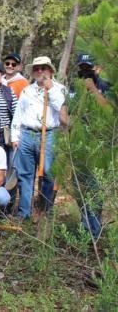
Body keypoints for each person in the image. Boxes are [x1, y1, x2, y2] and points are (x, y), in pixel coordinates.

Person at [11, 56, 66, 220]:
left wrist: (50, 88)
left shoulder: (59, 89)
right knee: (25, 174)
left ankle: (45, 210)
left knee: (48, 173)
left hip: (49, 134)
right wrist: (15, 136)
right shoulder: (27, 90)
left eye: (43, 68)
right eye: (37, 68)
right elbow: (18, 114)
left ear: (50, 70)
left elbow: (61, 109)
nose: (40, 71)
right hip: (27, 134)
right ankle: (24, 213)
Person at [69, 53, 110, 239]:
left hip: (98, 144)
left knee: (94, 186)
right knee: (78, 186)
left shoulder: (104, 86)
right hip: (77, 142)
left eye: (89, 68)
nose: (85, 72)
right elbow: (65, 109)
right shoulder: (73, 87)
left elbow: (108, 110)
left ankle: (95, 228)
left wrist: (93, 89)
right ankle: (86, 225)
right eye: (82, 68)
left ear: (97, 68)